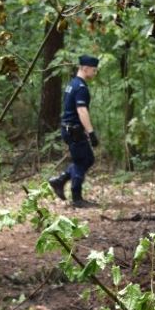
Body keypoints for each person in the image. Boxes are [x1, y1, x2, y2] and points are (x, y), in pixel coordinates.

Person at [49, 55, 100, 208]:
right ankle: (76, 198)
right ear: (85, 68)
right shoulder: (81, 88)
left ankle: (61, 180)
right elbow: (82, 110)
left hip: (69, 129)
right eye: (94, 69)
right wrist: (91, 133)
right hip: (74, 130)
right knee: (81, 161)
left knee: (88, 159)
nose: (95, 73)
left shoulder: (72, 84)